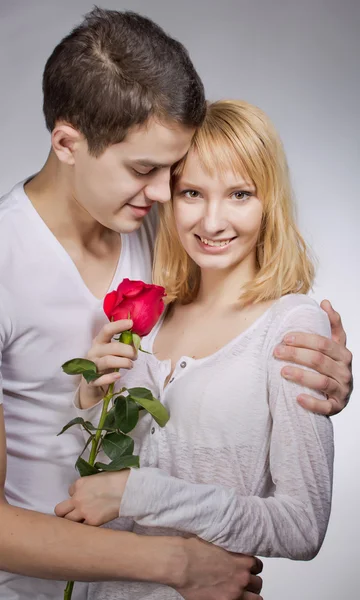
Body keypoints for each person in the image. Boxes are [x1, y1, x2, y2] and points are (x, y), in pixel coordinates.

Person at [0, 5, 352, 600]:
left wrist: (320, 378)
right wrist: (179, 565)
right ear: (67, 143)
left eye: (173, 172)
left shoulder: (164, 230)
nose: (166, 194)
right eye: (146, 170)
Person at [57, 100, 342, 600]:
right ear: (168, 197)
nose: (212, 222)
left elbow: (302, 526)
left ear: (268, 201)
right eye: (192, 192)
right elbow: (92, 490)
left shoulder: (291, 325)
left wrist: (141, 496)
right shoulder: (150, 313)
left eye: (239, 194)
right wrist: (89, 395)